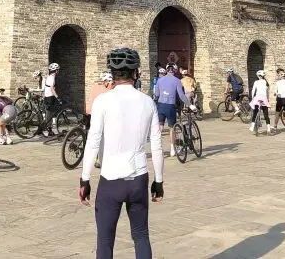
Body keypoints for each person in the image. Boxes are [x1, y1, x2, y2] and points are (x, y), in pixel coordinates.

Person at [78, 48, 165, 259]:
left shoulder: (102, 101)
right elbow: (156, 145)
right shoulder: (148, 102)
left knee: (105, 241)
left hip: (111, 179)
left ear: (112, 74)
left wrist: (85, 179)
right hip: (138, 178)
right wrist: (159, 181)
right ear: (136, 73)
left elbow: (93, 142)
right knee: (141, 235)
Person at [154, 63, 196, 157]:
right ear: (175, 70)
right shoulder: (177, 81)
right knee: (172, 128)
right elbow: (181, 96)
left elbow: (156, 95)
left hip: (161, 105)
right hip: (170, 106)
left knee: (160, 128)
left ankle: (157, 148)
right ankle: (172, 149)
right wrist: (190, 105)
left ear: (166, 70)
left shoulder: (160, 80)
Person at [248, 69, 273, 134]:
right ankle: (268, 129)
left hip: (257, 98)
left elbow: (253, 90)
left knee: (255, 112)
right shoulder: (266, 82)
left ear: (258, 76)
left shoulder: (256, 82)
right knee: (266, 114)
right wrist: (267, 99)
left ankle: (252, 126)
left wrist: (252, 97)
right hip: (264, 98)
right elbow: (267, 92)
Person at [42, 63, 60, 137]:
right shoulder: (52, 78)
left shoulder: (50, 77)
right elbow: (52, 89)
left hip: (47, 96)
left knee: (49, 113)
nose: (58, 71)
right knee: (50, 114)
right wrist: (57, 97)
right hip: (50, 97)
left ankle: (49, 129)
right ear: (56, 70)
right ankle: (49, 129)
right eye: (58, 70)